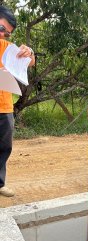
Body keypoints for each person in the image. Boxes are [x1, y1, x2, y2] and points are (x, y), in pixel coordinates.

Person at [0, 5, 35, 197]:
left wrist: (29, 52)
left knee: (4, 146)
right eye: (2, 28)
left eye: (7, 33)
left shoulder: (6, 47)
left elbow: (31, 62)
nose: (4, 35)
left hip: (4, 106)